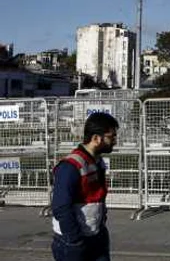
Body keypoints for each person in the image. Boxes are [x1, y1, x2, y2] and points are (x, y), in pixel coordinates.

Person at [51, 112, 119, 261]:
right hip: (73, 243)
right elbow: (61, 207)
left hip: (96, 235)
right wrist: (74, 240)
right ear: (96, 138)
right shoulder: (70, 166)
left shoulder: (97, 162)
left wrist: (100, 226)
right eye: (111, 137)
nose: (115, 141)